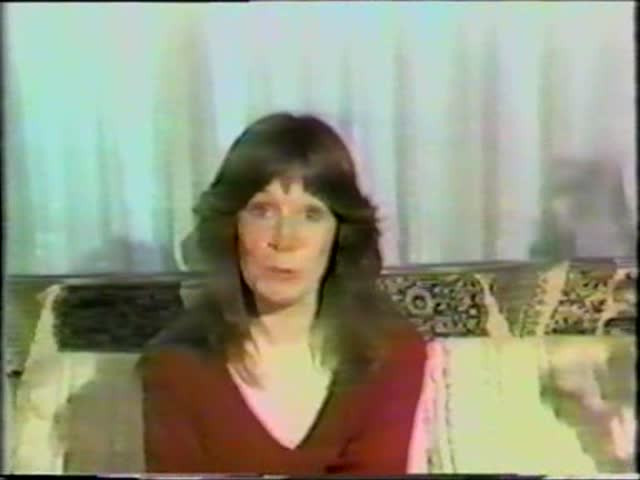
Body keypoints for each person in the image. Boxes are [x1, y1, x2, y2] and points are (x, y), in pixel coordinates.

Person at [138, 112, 430, 475]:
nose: (285, 239)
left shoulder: (393, 354)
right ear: (232, 226)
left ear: (340, 234)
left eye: (311, 214)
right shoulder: (175, 367)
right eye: (262, 211)